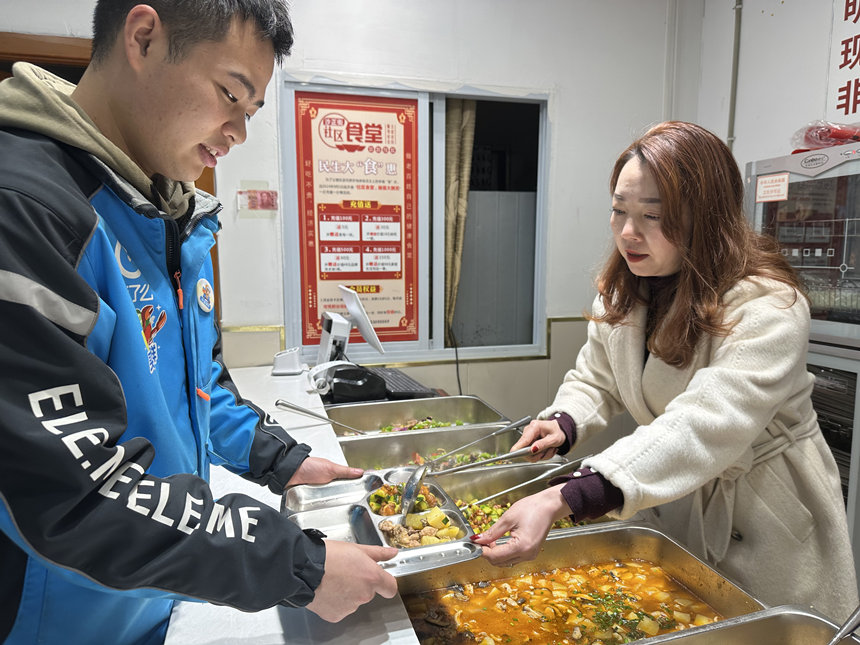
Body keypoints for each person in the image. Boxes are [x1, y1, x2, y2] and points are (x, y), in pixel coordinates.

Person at [0, 2, 398, 643]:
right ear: (144, 37)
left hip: (151, 600)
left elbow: (197, 391)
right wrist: (299, 565)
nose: (237, 132)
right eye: (229, 94)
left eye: (251, 112)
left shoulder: (166, 215)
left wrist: (283, 462)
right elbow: (74, 495)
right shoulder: (28, 211)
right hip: (58, 621)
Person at [472, 121, 860, 620]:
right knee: (689, 618)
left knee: (772, 627)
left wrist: (572, 495)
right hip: (678, 488)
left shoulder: (768, 305)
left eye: (652, 216)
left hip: (766, 508)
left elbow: (706, 422)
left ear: (707, 217)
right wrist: (565, 420)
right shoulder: (626, 286)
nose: (628, 232)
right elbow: (597, 377)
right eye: (619, 210)